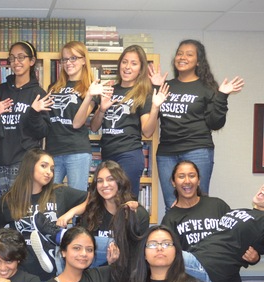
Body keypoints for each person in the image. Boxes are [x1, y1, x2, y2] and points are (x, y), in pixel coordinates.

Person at [149, 39, 245, 210]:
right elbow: (152, 116)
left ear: (198, 61)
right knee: (172, 205)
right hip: (166, 152)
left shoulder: (206, 88)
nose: (182, 57)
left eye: (189, 54)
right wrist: (155, 87)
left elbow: (215, 123)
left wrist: (222, 96)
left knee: (198, 204)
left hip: (197, 149)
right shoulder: (166, 86)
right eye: (179, 53)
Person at [75, 45, 168, 195]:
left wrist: (155, 108)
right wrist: (102, 110)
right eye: (124, 62)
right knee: (107, 202)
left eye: (134, 63)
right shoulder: (109, 89)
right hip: (107, 153)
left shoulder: (144, 94)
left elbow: (148, 131)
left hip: (129, 154)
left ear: (141, 68)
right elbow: (93, 127)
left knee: (126, 204)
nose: (127, 67)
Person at [0, 148, 87, 280]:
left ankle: (55, 241)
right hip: (21, 273)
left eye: (52, 169)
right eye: (44, 166)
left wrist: (70, 213)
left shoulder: (59, 192)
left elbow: (94, 199)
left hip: (55, 272)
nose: (49, 172)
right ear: (29, 167)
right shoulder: (8, 200)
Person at [28, 41, 95, 191]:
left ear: (84, 60)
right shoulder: (54, 87)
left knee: (76, 198)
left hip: (77, 151)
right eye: (64, 59)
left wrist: (89, 96)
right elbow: (47, 121)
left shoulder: (90, 89)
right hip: (53, 151)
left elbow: (77, 123)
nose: (68, 63)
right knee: (49, 198)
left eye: (73, 58)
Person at [71, 160, 151, 267]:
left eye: (110, 179)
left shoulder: (137, 213)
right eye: (99, 181)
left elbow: (138, 254)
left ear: (120, 181)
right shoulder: (91, 212)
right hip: (96, 271)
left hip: (127, 270)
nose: (104, 185)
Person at [0, 41, 47, 196]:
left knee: (21, 205)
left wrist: (34, 113)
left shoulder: (38, 93)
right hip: (1, 159)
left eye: (21, 57)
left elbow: (43, 131)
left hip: (25, 159)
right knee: (5, 205)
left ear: (31, 61)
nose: (16, 62)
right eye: (12, 58)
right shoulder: (0, 90)